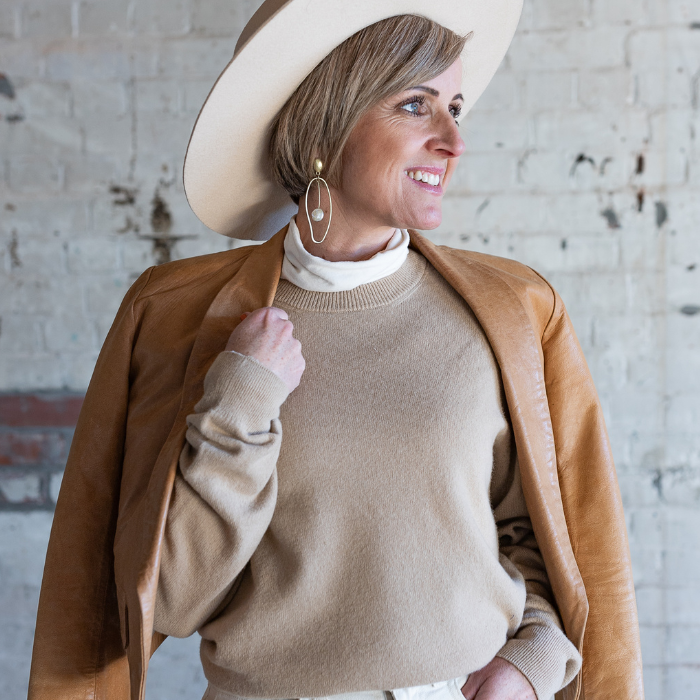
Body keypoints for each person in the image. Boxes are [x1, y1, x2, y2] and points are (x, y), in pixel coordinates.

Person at [28, 3, 644, 700]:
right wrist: (240, 404)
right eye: (417, 105)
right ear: (329, 118)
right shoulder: (172, 317)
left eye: (456, 108)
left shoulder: (513, 312)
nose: (452, 140)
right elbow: (163, 602)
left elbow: (558, 541)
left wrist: (529, 664)